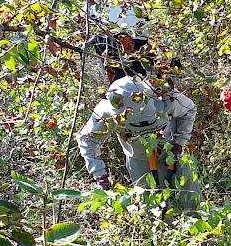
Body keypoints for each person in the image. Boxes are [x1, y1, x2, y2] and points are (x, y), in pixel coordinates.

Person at [77, 58, 201, 208]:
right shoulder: (105, 112)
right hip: (138, 161)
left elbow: (189, 110)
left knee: (192, 201)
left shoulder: (164, 97)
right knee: (152, 209)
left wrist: (180, 142)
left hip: (172, 153)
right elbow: (87, 139)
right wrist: (99, 174)